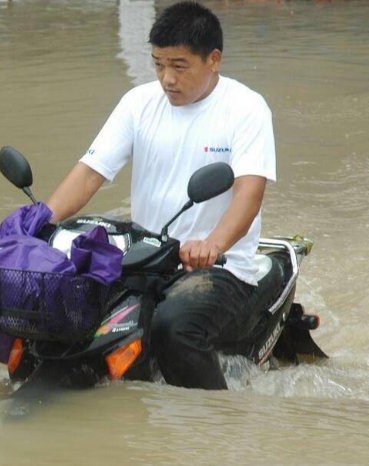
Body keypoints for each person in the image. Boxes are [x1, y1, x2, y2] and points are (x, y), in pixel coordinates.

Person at [44, 1, 277, 389]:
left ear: (213, 59)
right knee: (69, 318)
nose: (167, 78)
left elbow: (248, 195)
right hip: (146, 262)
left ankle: (216, 417)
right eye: (158, 64)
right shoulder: (138, 103)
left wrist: (212, 245)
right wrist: (38, 220)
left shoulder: (246, 109)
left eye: (179, 66)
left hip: (220, 268)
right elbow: (89, 173)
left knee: (173, 328)